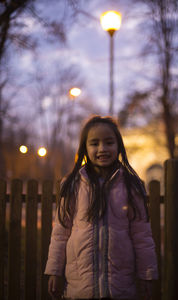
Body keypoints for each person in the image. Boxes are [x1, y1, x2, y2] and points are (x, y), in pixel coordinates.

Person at [45, 115, 158, 300]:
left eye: (109, 142)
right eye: (94, 143)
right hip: (80, 286)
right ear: (85, 148)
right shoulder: (72, 184)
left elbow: (142, 235)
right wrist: (55, 271)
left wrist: (146, 274)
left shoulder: (131, 185)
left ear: (118, 146)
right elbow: (60, 232)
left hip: (120, 287)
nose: (102, 149)